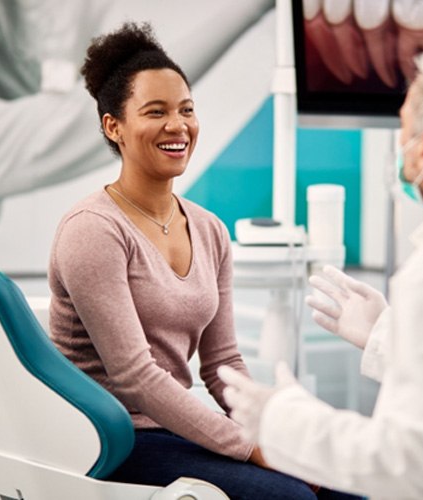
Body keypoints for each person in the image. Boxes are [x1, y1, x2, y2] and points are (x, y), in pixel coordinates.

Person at [48, 21, 359, 500]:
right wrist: (251, 447)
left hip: (175, 429)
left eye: (186, 110)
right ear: (114, 126)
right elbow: (135, 377)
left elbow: (222, 363)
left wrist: (271, 429)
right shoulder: (93, 230)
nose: (178, 126)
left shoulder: (210, 229)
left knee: (347, 487)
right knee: (290, 497)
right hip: (109, 440)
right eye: (156, 112)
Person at [219, 46, 423, 499]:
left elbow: (409, 463)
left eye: (404, 128)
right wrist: (388, 336)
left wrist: (282, 419)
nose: (399, 145)